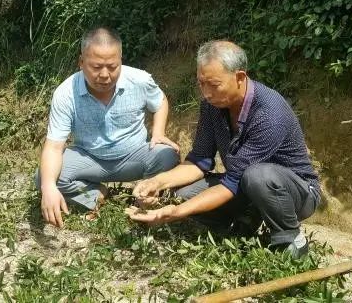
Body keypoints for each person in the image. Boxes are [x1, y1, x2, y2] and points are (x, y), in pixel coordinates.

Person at [126, 40, 321, 257]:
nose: (207, 93)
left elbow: (232, 182)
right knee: (185, 193)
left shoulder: (269, 114)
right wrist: (157, 182)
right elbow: (199, 160)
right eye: (201, 84)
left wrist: (176, 213)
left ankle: (290, 238)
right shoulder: (212, 106)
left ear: (240, 77)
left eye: (214, 84)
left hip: (296, 194)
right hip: (243, 184)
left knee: (258, 176)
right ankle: (241, 224)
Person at [36, 27, 180, 227]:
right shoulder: (65, 93)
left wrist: (158, 132)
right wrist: (49, 186)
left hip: (134, 156)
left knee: (168, 155)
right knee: (45, 179)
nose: (105, 75)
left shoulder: (139, 80)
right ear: (81, 63)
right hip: (89, 159)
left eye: (112, 67)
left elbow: (160, 100)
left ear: (121, 60)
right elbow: (53, 147)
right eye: (96, 67)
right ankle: (95, 194)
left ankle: (145, 195)